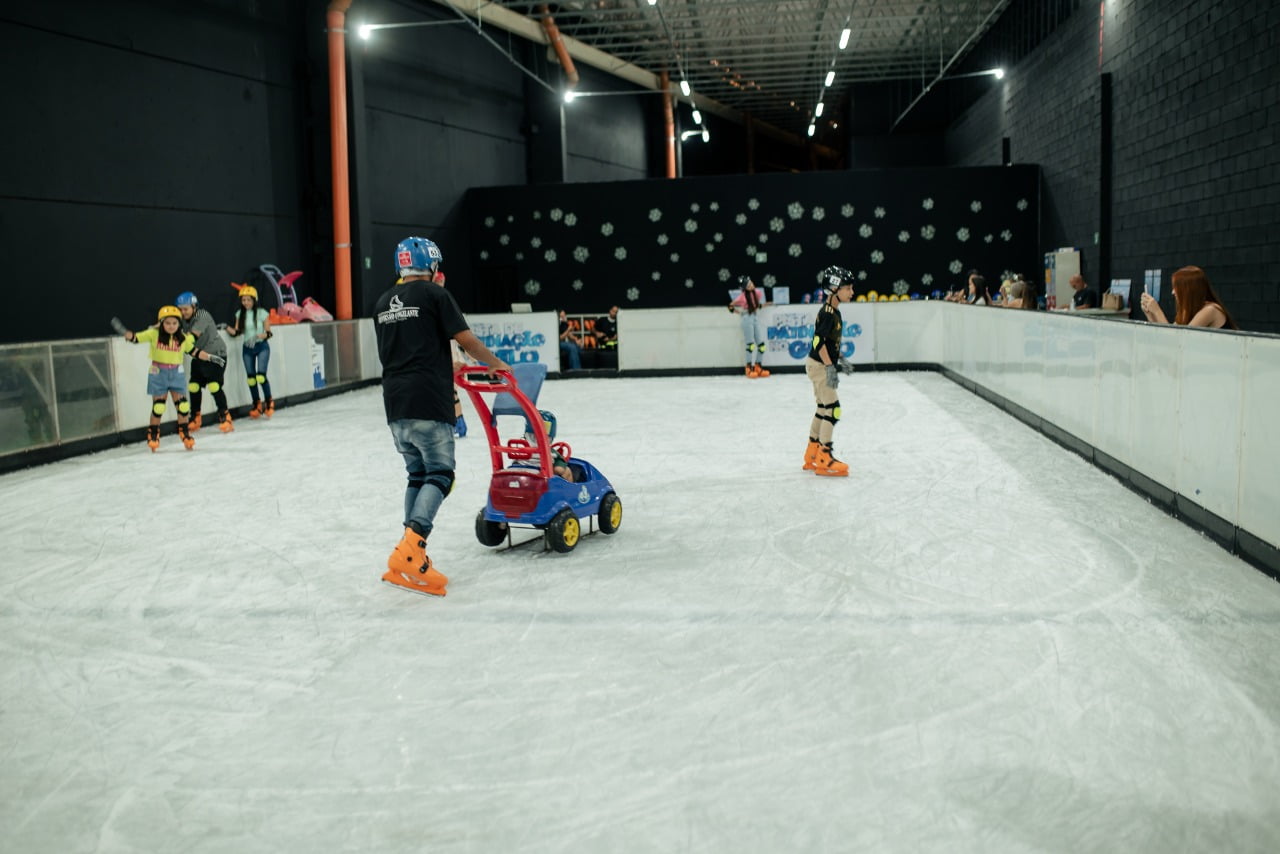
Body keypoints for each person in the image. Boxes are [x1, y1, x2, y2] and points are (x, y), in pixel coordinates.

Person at [376, 236, 510, 597]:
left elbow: (406, 348)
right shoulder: (436, 295)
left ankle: (412, 553)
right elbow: (466, 340)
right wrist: (495, 364)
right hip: (429, 400)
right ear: (431, 265)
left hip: (395, 403)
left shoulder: (383, 302)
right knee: (440, 474)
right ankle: (411, 545)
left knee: (417, 474)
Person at [120, 305, 225, 451]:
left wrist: (211, 358)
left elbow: (194, 351)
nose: (171, 326)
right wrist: (129, 335)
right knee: (158, 407)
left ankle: (184, 432)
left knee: (183, 407)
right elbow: (137, 338)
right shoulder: (153, 334)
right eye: (168, 323)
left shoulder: (183, 338)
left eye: (174, 323)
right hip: (159, 373)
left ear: (179, 324)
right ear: (161, 323)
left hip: (176, 374)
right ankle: (154, 433)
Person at [802, 266, 855, 477]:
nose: (852, 292)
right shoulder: (828, 313)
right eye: (848, 288)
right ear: (834, 289)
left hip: (817, 365)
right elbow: (818, 341)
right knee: (834, 410)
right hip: (821, 367)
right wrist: (830, 367)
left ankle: (812, 453)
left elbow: (829, 343)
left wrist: (840, 358)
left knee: (823, 408)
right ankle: (825, 456)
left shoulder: (833, 312)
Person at [175, 291, 233, 433]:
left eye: (186, 309)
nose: (183, 312)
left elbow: (192, 338)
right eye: (180, 309)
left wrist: (179, 345)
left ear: (194, 307)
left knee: (214, 385)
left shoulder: (202, 315)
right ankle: (196, 418)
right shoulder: (181, 319)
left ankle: (226, 417)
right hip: (199, 356)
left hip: (216, 355)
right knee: (194, 386)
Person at [226, 285, 274, 418]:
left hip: (261, 346)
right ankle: (256, 404)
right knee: (251, 379)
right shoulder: (239, 314)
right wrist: (226, 328)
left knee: (261, 376)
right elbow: (237, 332)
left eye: (248, 300)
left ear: (254, 299)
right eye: (243, 300)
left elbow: (269, 333)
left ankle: (269, 401)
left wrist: (258, 336)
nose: (246, 303)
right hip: (247, 348)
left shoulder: (262, 313)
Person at [1140, 265, 1239, 329]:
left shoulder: (1210, 310)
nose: (1173, 292)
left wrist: (1157, 311)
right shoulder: (1189, 310)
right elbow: (1164, 333)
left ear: (1188, 291)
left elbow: (1177, 340)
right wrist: (1150, 313)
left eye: (1176, 288)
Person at [432, 270, 469, 437]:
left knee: (449, 389)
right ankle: (455, 420)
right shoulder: (436, 298)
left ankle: (457, 421)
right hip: (441, 347)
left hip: (446, 349)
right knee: (446, 389)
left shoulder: (441, 299)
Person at [729, 275, 770, 378]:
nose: (751, 285)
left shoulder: (758, 293)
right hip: (747, 318)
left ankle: (758, 366)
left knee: (761, 345)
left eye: (751, 283)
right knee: (750, 345)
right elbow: (730, 306)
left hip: (755, 317)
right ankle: (748, 368)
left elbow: (756, 305)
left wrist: (764, 305)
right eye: (748, 285)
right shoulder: (742, 297)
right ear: (745, 288)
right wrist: (739, 313)